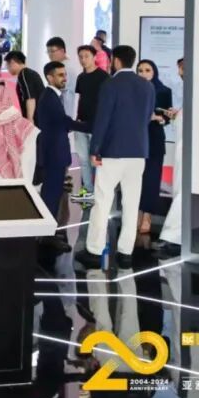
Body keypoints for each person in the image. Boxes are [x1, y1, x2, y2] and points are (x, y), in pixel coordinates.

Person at [77, 45, 155, 270]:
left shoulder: (110, 84)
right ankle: (126, 252)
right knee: (132, 202)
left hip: (112, 152)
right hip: (138, 152)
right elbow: (146, 118)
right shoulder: (147, 86)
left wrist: (95, 149)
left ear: (116, 61)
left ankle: (94, 250)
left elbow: (102, 119)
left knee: (102, 200)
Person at [35, 62, 88, 231]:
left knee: (54, 193)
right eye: (60, 75)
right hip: (54, 155)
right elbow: (64, 121)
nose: (64, 78)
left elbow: (59, 123)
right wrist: (89, 127)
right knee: (51, 195)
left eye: (65, 75)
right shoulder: (49, 97)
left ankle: (48, 231)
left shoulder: (53, 96)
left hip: (55, 153)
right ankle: (46, 233)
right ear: (49, 77)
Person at [136, 59, 172, 235]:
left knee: (151, 179)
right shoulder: (133, 90)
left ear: (154, 72)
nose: (143, 74)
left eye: (147, 70)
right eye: (140, 70)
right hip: (135, 140)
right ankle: (137, 211)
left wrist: (160, 118)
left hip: (154, 139)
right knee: (136, 178)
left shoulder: (164, 91)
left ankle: (147, 215)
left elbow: (167, 118)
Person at [154, 58, 184, 258]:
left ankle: (173, 237)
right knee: (179, 190)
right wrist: (177, 114)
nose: (180, 73)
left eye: (182, 68)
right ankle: (173, 236)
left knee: (182, 192)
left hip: (191, 151)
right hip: (183, 150)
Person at [73, 45, 109, 203]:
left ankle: (100, 193)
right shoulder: (81, 77)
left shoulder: (104, 77)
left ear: (94, 57)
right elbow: (80, 98)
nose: (83, 59)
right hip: (81, 123)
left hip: (97, 124)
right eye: (80, 56)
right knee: (83, 159)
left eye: (86, 56)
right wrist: (76, 119)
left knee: (96, 160)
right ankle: (87, 191)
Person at [4, 51, 44, 121]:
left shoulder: (24, 74)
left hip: (36, 118)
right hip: (41, 116)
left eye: (7, 65)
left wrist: (30, 119)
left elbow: (30, 97)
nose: (7, 69)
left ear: (12, 62)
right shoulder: (30, 73)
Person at [45, 37, 78, 117]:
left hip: (65, 111)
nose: (50, 55)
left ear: (62, 51)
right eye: (48, 52)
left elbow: (56, 88)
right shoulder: (63, 66)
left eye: (52, 51)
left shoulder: (67, 68)